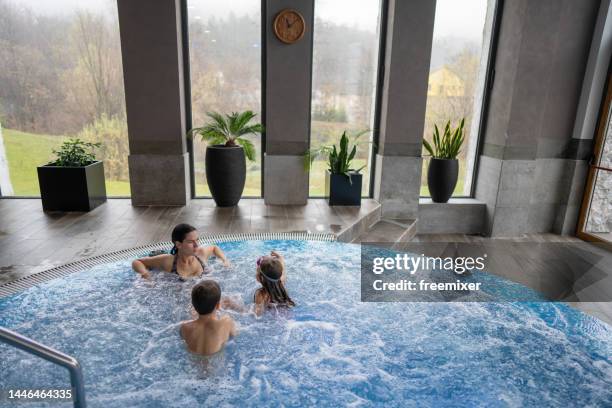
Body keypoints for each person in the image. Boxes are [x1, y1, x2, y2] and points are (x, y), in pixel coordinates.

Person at [132, 223, 230, 280]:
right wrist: (145, 274)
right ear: (178, 244)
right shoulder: (168, 261)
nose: (196, 245)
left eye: (197, 240)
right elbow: (137, 262)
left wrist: (225, 260)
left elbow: (214, 248)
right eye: (191, 242)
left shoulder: (200, 254)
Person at [180, 280, 237, 356]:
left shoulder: (184, 328)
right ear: (218, 305)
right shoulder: (226, 322)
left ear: (193, 306)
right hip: (217, 364)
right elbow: (234, 335)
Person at [254, 250, 295, 315]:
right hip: (286, 315)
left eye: (257, 271)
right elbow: (282, 269)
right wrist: (280, 257)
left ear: (261, 278)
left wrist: (233, 305)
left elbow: (256, 315)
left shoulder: (261, 295)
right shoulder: (280, 281)